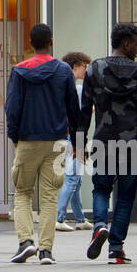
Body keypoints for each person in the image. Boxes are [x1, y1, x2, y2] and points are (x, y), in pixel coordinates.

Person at [4, 23, 80, 265]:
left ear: (30, 42)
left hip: (27, 139)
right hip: (57, 141)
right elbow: (73, 108)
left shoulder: (18, 72)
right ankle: (46, 250)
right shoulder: (64, 70)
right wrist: (77, 141)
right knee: (50, 196)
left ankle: (26, 241)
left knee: (23, 192)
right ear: (51, 41)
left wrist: (14, 136)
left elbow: (12, 107)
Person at [80, 23, 137, 264]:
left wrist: (80, 142)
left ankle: (99, 225)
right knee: (126, 195)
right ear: (126, 43)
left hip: (103, 139)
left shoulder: (94, 69)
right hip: (131, 143)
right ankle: (116, 247)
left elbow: (85, 109)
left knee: (101, 189)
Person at [55, 51, 91, 231]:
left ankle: (79, 218)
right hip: (73, 136)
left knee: (75, 180)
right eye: (85, 66)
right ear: (76, 66)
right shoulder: (76, 88)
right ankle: (59, 218)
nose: (86, 70)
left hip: (64, 135)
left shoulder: (61, 83)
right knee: (72, 178)